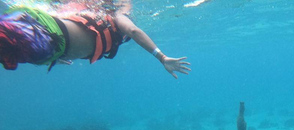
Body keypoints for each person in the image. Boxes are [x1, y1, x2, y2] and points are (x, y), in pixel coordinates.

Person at [0, 0, 190, 78]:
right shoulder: (117, 16)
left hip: (46, 45)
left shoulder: (98, 15)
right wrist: (162, 57)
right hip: (45, 34)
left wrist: (56, 58)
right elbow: (133, 31)